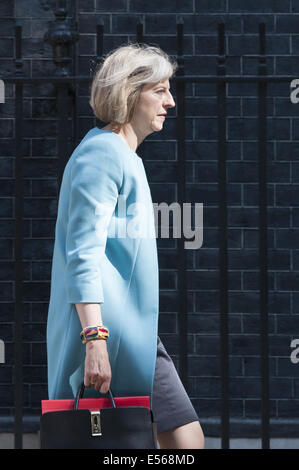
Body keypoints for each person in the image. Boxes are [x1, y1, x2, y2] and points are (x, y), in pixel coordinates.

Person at [46, 42, 204, 449]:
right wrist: (94, 339)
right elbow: (81, 253)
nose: (170, 101)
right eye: (160, 90)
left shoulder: (124, 155)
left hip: (134, 334)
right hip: (107, 334)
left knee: (184, 440)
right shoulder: (101, 154)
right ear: (129, 94)